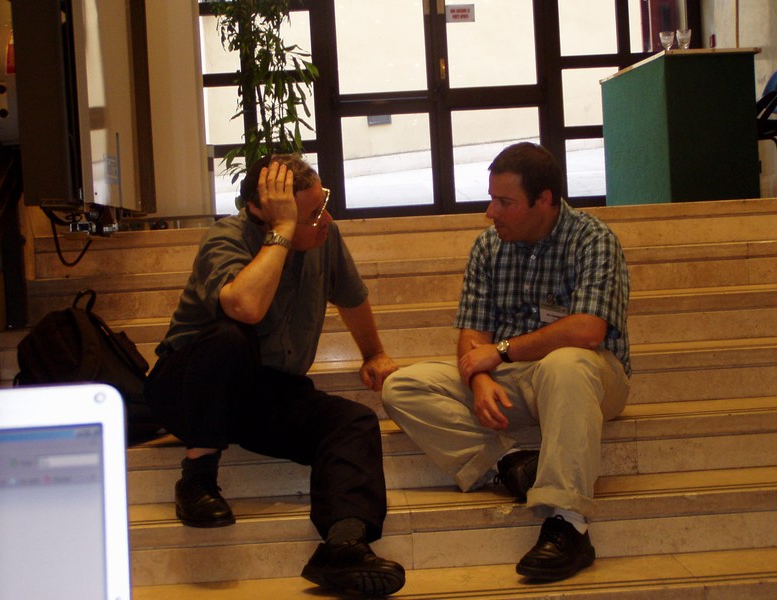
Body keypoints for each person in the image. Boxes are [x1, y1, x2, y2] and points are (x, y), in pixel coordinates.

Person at [145, 154, 405, 596]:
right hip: (189, 387)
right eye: (311, 214)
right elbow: (245, 306)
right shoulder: (226, 238)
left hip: (262, 392)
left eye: (323, 204)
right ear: (263, 213)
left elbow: (351, 295)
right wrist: (282, 232)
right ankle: (197, 479)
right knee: (231, 336)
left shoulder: (324, 236)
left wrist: (374, 353)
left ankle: (343, 545)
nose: (325, 219)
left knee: (353, 421)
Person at [382, 142, 631, 582]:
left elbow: (587, 330)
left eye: (504, 202)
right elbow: (472, 333)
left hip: (589, 376)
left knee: (565, 364)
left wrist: (499, 353)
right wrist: (479, 380)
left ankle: (568, 524)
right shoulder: (487, 247)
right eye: (491, 199)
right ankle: (511, 465)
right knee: (402, 386)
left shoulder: (593, 239)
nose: (490, 212)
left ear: (544, 200)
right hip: (512, 379)